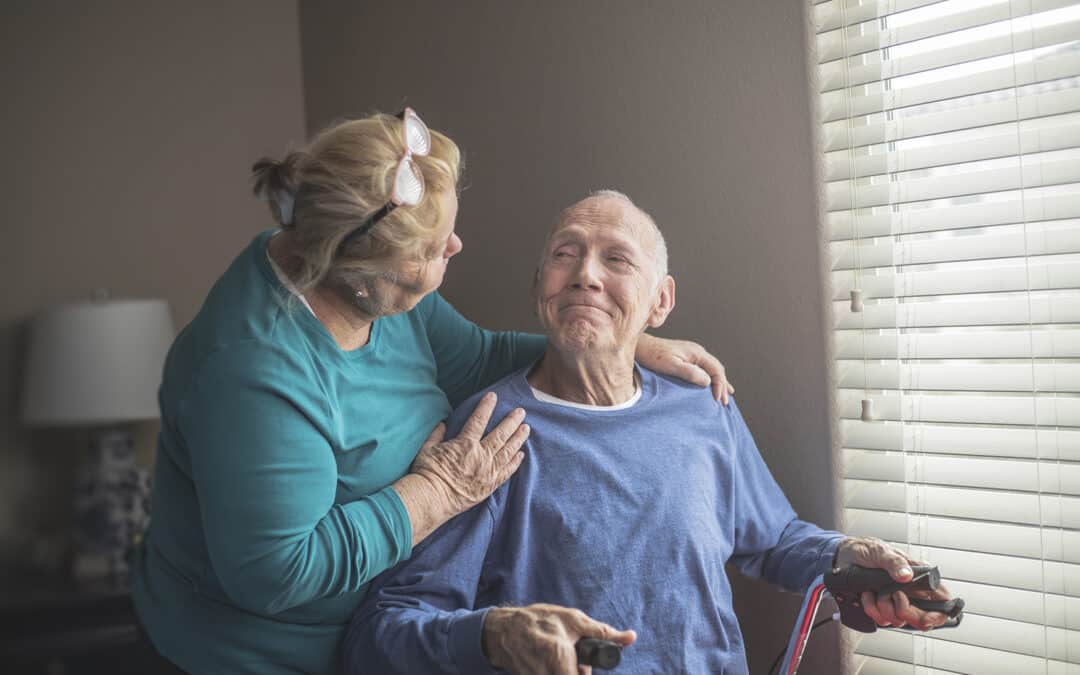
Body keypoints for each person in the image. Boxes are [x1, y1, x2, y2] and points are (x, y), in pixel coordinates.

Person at [130, 110, 733, 675]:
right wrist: (435, 493)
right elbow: (278, 570)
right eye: (429, 249)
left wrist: (616, 343)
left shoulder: (374, 288)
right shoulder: (251, 370)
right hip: (254, 654)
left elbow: (477, 357)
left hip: (379, 635)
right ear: (360, 272)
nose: (454, 247)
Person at [345, 191, 953, 675]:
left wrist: (848, 559)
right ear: (539, 288)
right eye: (565, 253)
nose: (585, 274)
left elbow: (771, 539)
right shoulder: (488, 434)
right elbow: (386, 631)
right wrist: (495, 636)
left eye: (616, 258)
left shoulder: (702, 406)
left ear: (659, 303)